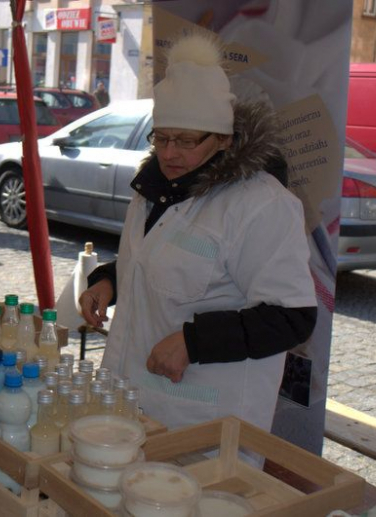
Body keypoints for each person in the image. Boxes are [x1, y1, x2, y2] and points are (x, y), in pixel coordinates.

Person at [78, 33, 317, 434]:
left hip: (203, 417)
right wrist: (109, 281)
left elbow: (291, 316)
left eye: (186, 141)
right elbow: (161, 257)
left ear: (223, 139)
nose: (169, 153)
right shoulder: (156, 187)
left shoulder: (261, 205)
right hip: (131, 396)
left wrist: (194, 342)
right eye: (162, 137)